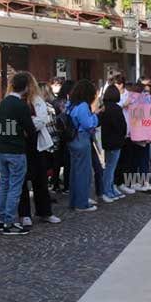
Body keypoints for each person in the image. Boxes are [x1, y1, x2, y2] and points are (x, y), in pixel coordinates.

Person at [0, 72, 35, 234]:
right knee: (14, 188)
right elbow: (30, 129)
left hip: (3, 149)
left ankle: (1, 218)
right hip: (17, 150)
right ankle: (9, 223)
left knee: (4, 185)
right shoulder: (21, 105)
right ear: (25, 88)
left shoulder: (4, 103)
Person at [17, 78, 60, 225]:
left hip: (38, 144)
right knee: (22, 181)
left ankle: (44, 212)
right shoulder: (15, 100)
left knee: (40, 180)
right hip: (21, 145)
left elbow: (41, 120)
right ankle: (24, 214)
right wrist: (27, 124)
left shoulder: (37, 100)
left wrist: (26, 125)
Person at [67, 79, 100, 211]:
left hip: (72, 139)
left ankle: (74, 200)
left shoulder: (71, 104)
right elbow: (89, 124)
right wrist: (95, 115)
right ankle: (81, 203)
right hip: (82, 138)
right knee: (83, 173)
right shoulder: (83, 106)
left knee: (75, 172)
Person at [99, 85, 127, 202]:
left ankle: (110, 188)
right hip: (116, 141)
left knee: (109, 166)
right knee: (111, 167)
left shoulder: (104, 108)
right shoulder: (116, 108)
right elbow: (122, 125)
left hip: (107, 140)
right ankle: (107, 190)